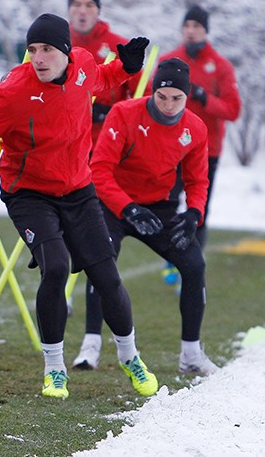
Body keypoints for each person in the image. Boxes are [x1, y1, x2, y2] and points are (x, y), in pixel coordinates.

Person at [0, 13, 158, 399]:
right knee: (58, 267)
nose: (39, 58)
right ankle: (54, 369)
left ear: (66, 51)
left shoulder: (82, 65)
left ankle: (131, 357)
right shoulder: (12, 91)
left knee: (107, 274)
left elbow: (106, 77)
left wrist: (128, 68)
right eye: (32, 50)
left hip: (79, 189)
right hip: (29, 193)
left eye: (47, 49)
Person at [86, 58, 219, 375]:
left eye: (177, 98)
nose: (169, 104)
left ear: (187, 98)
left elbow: (197, 181)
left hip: (161, 209)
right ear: (152, 92)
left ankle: (191, 356)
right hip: (114, 204)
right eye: (162, 97)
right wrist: (127, 208)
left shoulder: (195, 129)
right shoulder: (124, 113)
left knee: (194, 264)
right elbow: (99, 171)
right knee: (101, 261)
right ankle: (90, 345)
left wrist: (194, 214)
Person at [158, 5, 242, 249]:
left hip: (207, 151)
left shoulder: (220, 66)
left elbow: (233, 110)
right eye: (187, 26)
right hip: (171, 148)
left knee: (198, 208)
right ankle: (170, 256)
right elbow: (150, 102)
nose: (191, 31)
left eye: (196, 26)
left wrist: (205, 97)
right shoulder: (168, 61)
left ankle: (193, 262)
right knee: (167, 204)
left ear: (206, 30)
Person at [67, 0, 139, 144]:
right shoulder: (57, 45)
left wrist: (117, 114)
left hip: (107, 136)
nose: (83, 11)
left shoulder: (118, 45)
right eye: (77, 4)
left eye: (89, 5)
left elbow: (143, 91)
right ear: (69, 10)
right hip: (68, 137)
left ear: (98, 10)